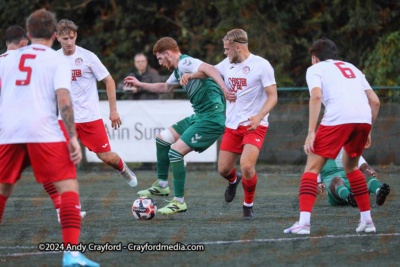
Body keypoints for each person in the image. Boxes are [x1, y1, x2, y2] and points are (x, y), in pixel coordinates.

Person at [0, 9, 99, 267]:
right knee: (68, 187)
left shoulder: (7, 59)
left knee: (3, 190)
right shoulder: (58, 61)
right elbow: (64, 99)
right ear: (55, 36)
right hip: (43, 130)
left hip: (8, 132)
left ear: (28, 34)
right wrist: (73, 137)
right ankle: (71, 254)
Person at [124, 37, 236, 214]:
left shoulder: (185, 62)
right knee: (162, 139)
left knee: (175, 152)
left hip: (211, 118)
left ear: (168, 54)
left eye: (160, 58)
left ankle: (179, 202)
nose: (160, 63)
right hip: (199, 116)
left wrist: (224, 89)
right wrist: (140, 84)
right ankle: (161, 185)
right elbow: (165, 87)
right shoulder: (178, 71)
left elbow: (210, 69)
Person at [284, 38, 380, 235]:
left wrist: (311, 132)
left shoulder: (315, 69)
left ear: (314, 58)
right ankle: (367, 221)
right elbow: (375, 101)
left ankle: (303, 223)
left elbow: (316, 96)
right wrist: (368, 129)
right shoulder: (351, 67)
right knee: (352, 167)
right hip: (363, 119)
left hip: (338, 118)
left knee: (311, 168)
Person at [181, 29, 278, 219]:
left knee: (247, 166)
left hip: (254, 125)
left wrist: (259, 117)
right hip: (232, 126)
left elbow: (273, 96)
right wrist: (191, 75)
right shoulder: (227, 64)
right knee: (223, 169)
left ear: (237, 47)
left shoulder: (262, 65)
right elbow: (209, 71)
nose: (224, 53)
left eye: (227, 49)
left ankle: (247, 206)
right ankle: (234, 181)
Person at [0, 26, 84, 221]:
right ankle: (70, 244)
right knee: (61, 175)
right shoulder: (36, 59)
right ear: (23, 42)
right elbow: (59, 94)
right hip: (35, 126)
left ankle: (59, 208)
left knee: (5, 183)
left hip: (7, 129)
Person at [56, 19, 137, 187]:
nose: (69, 42)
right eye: (65, 39)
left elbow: (109, 81)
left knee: (106, 157)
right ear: (57, 38)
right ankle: (67, 204)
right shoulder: (53, 59)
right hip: (64, 119)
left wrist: (113, 111)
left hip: (89, 117)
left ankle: (123, 169)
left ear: (76, 35)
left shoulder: (88, 57)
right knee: (61, 159)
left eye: (72, 37)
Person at [317, 148, 390, 207]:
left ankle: (379, 192)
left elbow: (365, 166)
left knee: (366, 173)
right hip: (336, 191)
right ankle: (349, 197)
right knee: (336, 180)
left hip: (355, 184)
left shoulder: (349, 148)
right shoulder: (319, 155)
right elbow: (315, 180)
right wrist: (318, 186)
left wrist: (371, 171)